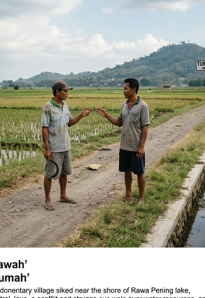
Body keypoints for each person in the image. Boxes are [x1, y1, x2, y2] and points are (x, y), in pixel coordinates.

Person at [96, 78, 150, 204]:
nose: (123, 91)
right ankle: (128, 194)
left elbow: (145, 127)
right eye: (123, 88)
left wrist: (142, 146)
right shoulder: (124, 106)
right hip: (124, 146)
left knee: (140, 171)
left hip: (136, 146)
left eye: (126, 88)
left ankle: (141, 197)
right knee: (127, 170)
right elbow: (119, 122)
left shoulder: (142, 106)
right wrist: (106, 115)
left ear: (133, 90)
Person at [41, 80, 91, 211]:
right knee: (50, 173)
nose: (67, 93)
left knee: (64, 172)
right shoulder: (47, 107)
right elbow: (44, 129)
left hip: (66, 145)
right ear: (57, 92)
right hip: (54, 147)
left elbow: (69, 123)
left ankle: (63, 195)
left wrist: (81, 115)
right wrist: (47, 148)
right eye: (65, 91)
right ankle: (47, 199)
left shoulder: (65, 106)